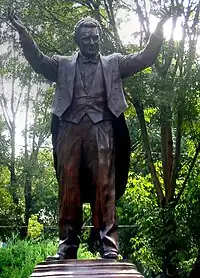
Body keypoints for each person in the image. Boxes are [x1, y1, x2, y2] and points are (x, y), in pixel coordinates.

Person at [8, 8, 170, 260]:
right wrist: (23, 32)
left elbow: (144, 58)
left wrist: (159, 29)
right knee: (68, 187)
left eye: (95, 37)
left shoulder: (114, 63)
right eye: (87, 38)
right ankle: (67, 243)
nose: (92, 42)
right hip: (69, 130)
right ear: (78, 41)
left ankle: (109, 245)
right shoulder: (62, 65)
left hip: (102, 130)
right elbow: (37, 60)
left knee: (105, 187)